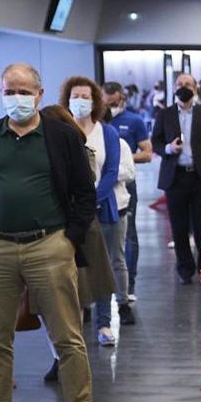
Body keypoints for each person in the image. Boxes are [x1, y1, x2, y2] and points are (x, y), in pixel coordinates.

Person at [0, 63, 98, 402]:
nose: (15, 98)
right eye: (8, 90)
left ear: (39, 94)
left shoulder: (61, 137)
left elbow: (85, 193)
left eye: (23, 90)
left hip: (49, 245)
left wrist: (69, 238)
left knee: (67, 335)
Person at [62, 77, 131, 346]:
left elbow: (112, 171)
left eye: (85, 96)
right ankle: (76, 323)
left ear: (94, 101)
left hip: (102, 210)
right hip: (69, 213)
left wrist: (89, 201)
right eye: (75, 96)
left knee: (104, 267)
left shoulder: (107, 133)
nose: (80, 101)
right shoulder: (60, 130)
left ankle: (104, 323)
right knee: (74, 269)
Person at [153, 72, 201, 284]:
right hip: (175, 178)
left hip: (200, 176)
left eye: (188, 84)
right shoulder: (164, 114)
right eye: (180, 84)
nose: (183, 87)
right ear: (175, 87)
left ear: (195, 88)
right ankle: (185, 268)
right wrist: (168, 148)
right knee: (179, 226)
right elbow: (155, 141)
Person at [103, 82, 152, 301]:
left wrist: (119, 159)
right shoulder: (95, 125)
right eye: (108, 102)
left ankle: (128, 285)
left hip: (124, 185)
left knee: (128, 235)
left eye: (115, 102)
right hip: (98, 187)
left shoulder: (133, 121)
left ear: (122, 99)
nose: (112, 106)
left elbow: (147, 153)